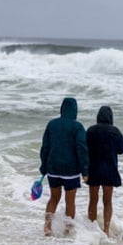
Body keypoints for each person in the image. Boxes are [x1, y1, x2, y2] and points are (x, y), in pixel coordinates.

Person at [39, 97, 89, 236]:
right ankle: (68, 229)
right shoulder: (77, 127)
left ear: (62, 109)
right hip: (70, 170)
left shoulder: (51, 124)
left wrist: (43, 166)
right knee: (70, 201)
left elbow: (45, 147)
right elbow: (82, 149)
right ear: (75, 110)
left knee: (54, 198)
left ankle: (47, 227)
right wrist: (85, 170)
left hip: (53, 168)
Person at [86, 105, 123, 236]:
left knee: (93, 200)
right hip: (109, 169)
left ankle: (92, 228)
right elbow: (122, 149)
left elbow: (84, 147)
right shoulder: (114, 131)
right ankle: (106, 229)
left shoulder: (91, 130)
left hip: (93, 169)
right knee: (107, 201)